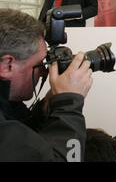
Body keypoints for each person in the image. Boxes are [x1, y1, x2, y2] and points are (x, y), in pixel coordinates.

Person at [0, 8, 93, 161]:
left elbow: (20, 137)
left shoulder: (7, 103)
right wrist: (69, 105)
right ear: (7, 65)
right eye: (39, 65)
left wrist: (45, 108)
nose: (44, 72)